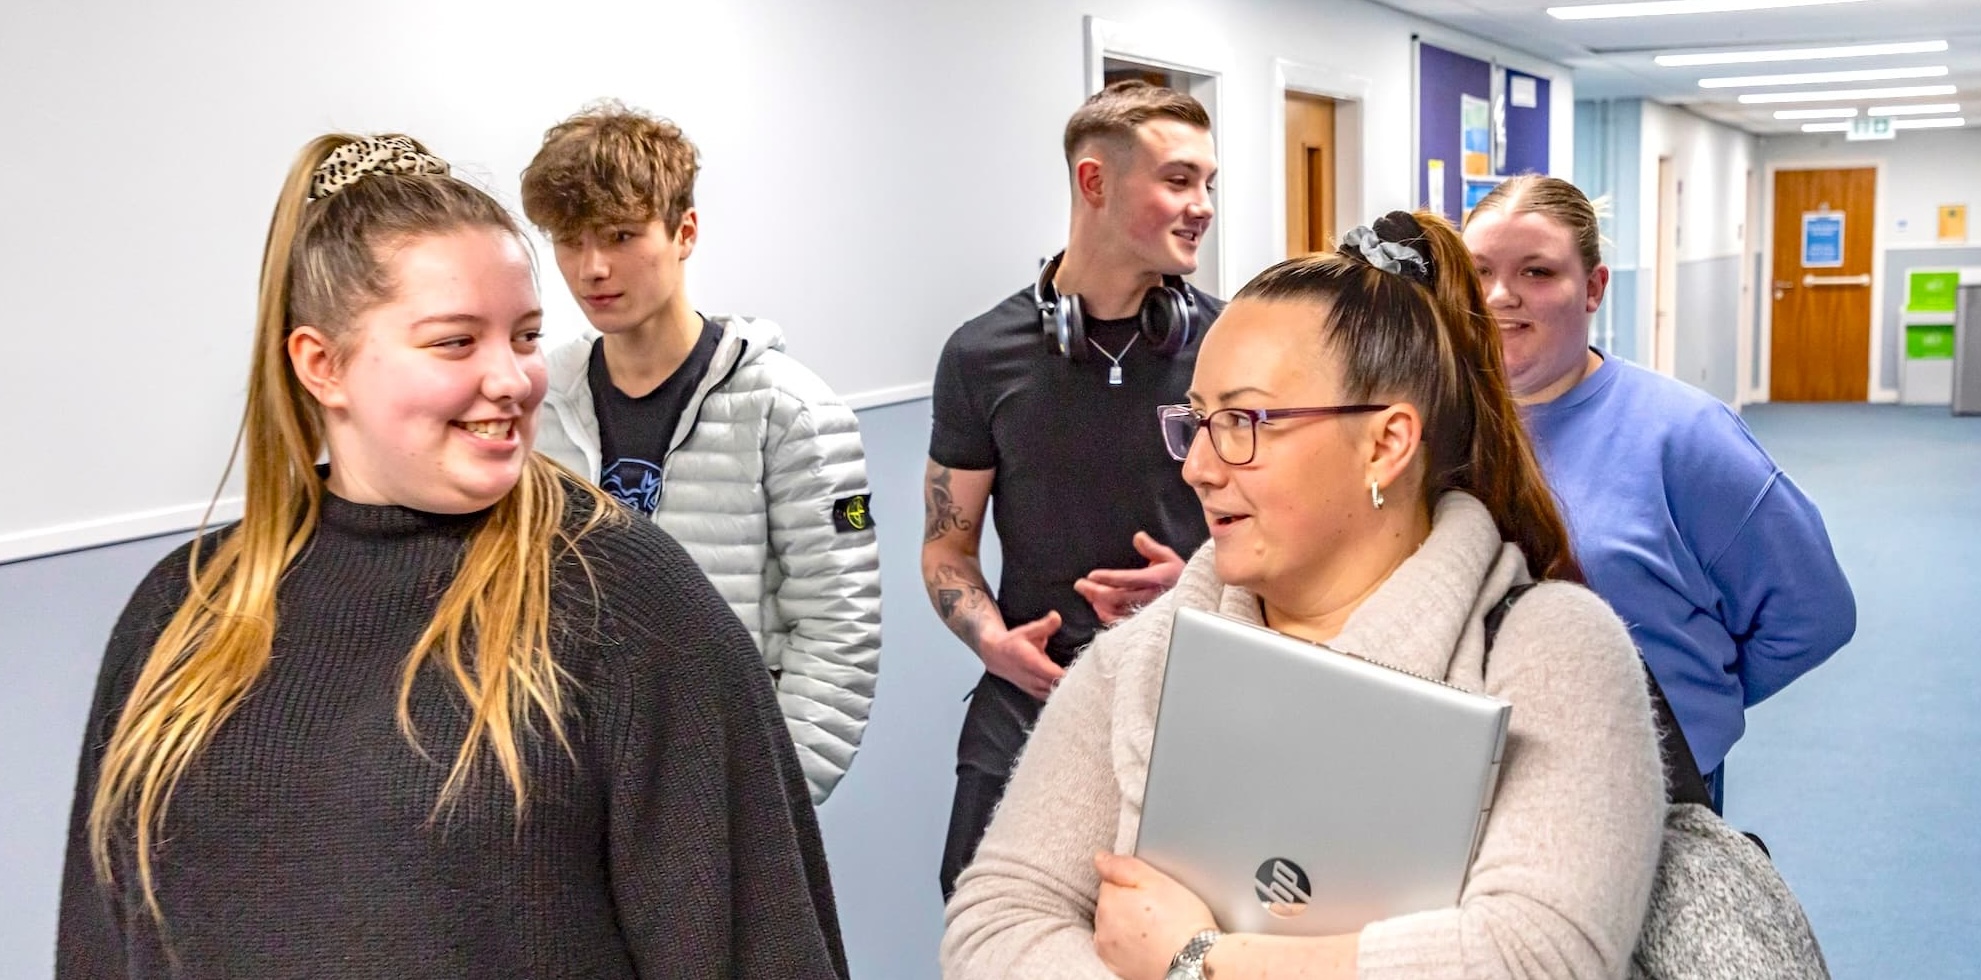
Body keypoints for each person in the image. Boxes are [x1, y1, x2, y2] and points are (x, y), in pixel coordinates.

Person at [56, 134, 848, 978]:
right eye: (456, 343)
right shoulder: (183, 609)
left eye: (527, 337)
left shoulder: (624, 601)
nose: (512, 380)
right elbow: (100, 934)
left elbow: (759, 951)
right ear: (321, 364)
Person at [940, 212, 1666, 979]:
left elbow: (1535, 958)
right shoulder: (1139, 657)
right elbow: (997, 918)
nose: (1199, 469)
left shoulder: (1549, 649)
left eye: (1245, 421)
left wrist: (1196, 963)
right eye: (1198, 422)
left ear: (1385, 444)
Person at [523, 103, 881, 806]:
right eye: (571, 240)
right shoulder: (542, 401)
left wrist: (766, 802)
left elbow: (839, 633)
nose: (593, 267)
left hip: (728, 785)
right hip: (576, 789)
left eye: (621, 236)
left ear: (683, 232)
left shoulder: (791, 411)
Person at [1463, 174, 1855, 807]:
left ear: (1593, 288)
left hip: (1651, 784)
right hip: (1486, 776)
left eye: (1537, 272)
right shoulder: (1439, 428)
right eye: (1478, 272)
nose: (1500, 297)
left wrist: (1693, 699)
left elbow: (1814, 612)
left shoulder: (1686, 434)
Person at [923, 79, 1223, 900]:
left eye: (1207, 183)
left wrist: (1196, 582)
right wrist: (991, 642)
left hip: (1190, 692)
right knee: (981, 912)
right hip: (1033, 694)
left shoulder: (1233, 346)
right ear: (1094, 183)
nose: (1200, 205)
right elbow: (947, 546)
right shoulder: (980, 355)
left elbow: (1281, 535)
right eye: (1177, 180)